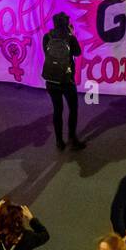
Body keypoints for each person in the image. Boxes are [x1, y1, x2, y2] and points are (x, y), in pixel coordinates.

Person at [41, 10, 85, 150]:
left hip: (51, 80)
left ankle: (59, 141)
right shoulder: (69, 38)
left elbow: (46, 53)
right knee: (73, 109)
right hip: (66, 80)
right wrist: (72, 35)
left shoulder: (47, 37)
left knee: (57, 110)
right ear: (67, 24)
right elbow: (78, 53)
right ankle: (72, 138)